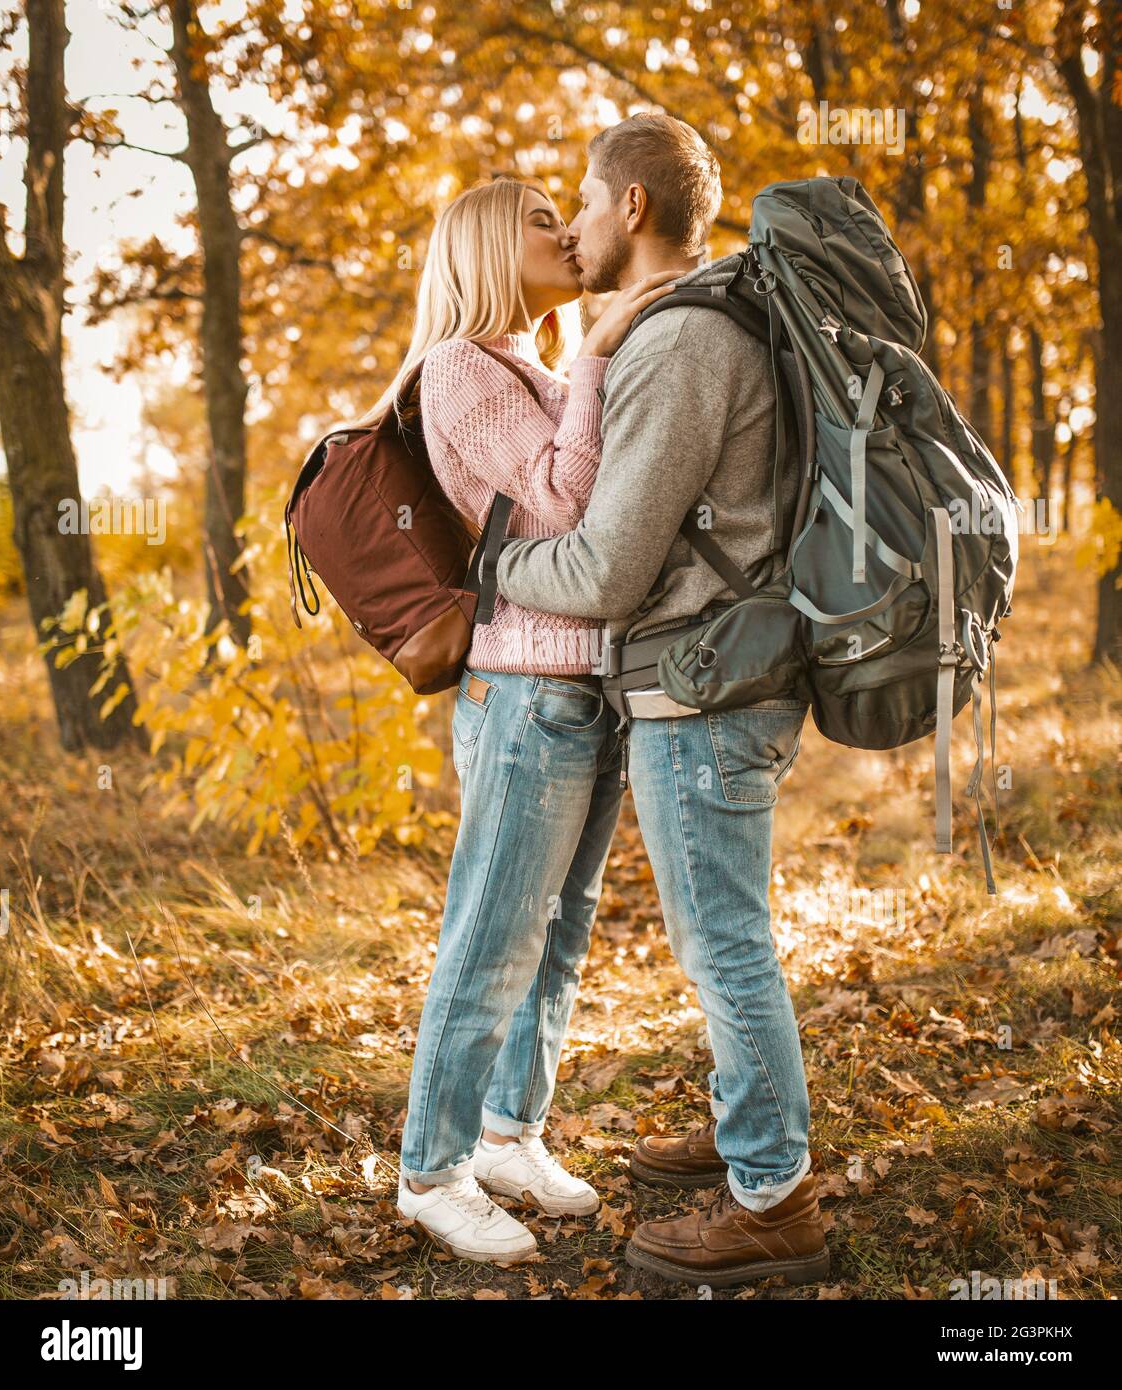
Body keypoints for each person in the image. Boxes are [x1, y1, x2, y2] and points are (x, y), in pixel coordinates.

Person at [495, 113, 831, 1289]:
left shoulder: (682, 344)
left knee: (725, 943)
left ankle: (773, 1195)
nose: (574, 226)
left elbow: (602, 569)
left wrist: (488, 568)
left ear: (630, 208)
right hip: (714, 676)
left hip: (706, 688)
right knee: (721, 935)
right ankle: (750, 1137)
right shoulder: (689, 327)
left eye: (583, 204)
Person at [357, 175, 676, 1263]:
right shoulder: (458, 370)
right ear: (492, 245)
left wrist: (580, 361)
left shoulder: (525, 366)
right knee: (493, 934)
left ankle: (507, 1134)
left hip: (587, 688)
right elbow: (564, 503)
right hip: (525, 692)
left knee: (558, 936)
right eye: (542, 219)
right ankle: (431, 1170)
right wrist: (594, 356)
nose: (565, 232)